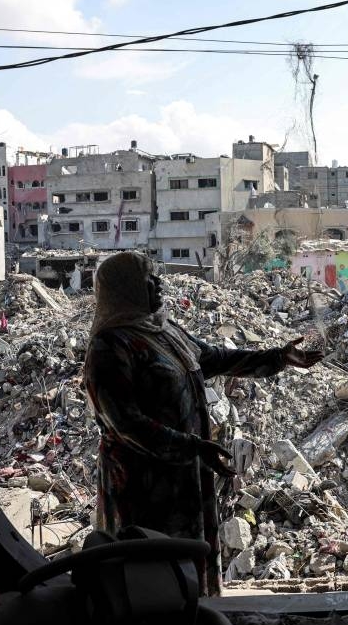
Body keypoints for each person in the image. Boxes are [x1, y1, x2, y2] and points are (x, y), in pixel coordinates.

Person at [83, 252, 324, 596]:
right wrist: (193, 447)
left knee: (186, 568)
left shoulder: (163, 331)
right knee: (150, 573)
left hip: (184, 473)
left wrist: (277, 358)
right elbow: (126, 424)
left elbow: (213, 358)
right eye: (149, 279)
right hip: (143, 484)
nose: (159, 283)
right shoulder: (109, 347)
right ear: (127, 289)